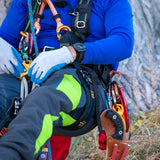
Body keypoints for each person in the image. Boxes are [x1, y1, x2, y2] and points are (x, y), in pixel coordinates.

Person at [0, 0, 134, 159]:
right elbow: (6, 38)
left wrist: (70, 53)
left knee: (44, 100)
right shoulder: (28, 2)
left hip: (83, 82)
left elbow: (123, 42)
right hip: (29, 74)